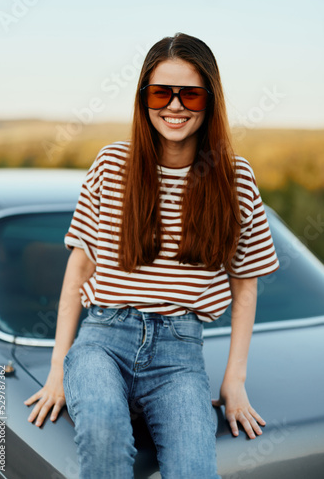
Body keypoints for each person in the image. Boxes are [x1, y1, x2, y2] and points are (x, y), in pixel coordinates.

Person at [24, 32, 279, 479]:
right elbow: (78, 268)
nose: (175, 106)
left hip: (180, 353)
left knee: (194, 469)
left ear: (210, 100)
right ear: (144, 98)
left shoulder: (235, 179)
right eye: (162, 92)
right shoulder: (111, 165)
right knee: (104, 431)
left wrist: (234, 381)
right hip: (103, 338)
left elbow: (245, 284)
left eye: (191, 95)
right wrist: (58, 369)